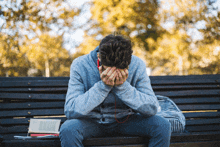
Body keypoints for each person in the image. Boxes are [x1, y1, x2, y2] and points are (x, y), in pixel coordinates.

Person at [59, 34, 172, 147]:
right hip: (91, 122)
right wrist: (103, 86)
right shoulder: (80, 65)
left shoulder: (137, 64)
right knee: (68, 129)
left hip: (126, 121)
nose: (115, 74)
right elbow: (71, 110)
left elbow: (152, 108)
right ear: (99, 59)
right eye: (111, 70)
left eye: (121, 70)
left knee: (162, 125)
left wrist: (123, 87)